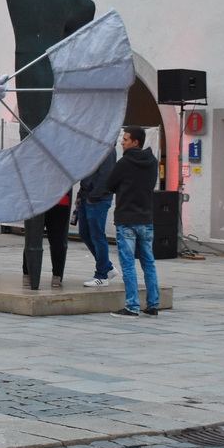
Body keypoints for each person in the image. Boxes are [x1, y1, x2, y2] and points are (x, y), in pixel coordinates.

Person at [102, 126, 160, 317]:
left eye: (125, 139)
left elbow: (109, 184)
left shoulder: (125, 163)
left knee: (128, 264)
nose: (122, 142)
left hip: (126, 219)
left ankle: (132, 306)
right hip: (146, 218)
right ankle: (152, 305)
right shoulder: (152, 162)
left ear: (135, 142)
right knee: (148, 263)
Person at [77, 148, 117, 286]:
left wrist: (94, 196)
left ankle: (102, 275)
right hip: (87, 196)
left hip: (97, 198)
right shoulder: (92, 146)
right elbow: (87, 172)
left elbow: (106, 174)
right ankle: (107, 267)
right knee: (85, 233)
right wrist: (81, 194)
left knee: (97, 235)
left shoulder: (107, 149)